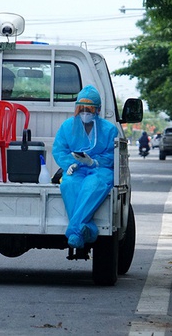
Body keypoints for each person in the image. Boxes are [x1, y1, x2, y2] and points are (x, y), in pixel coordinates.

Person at [53, 85, 117, 249]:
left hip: (99, 170)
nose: (85, 113)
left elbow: (112, 155)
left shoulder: (109, 130)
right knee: (68, 184)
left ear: (98, 110)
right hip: (76, 169)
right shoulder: (67, 126)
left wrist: (95, 162)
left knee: (93, 185)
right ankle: (87, 228)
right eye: (81, 109)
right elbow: (59, 150)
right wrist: (71, 163)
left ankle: (74, 231)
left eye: (89, 110)